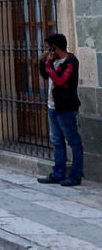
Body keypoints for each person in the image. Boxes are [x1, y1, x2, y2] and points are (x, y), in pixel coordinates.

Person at [38, 33, 83, 187]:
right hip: (53, 106)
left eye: (48, 47)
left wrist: (49, 65)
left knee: (73, 142)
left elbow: (60, 81)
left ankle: (76, 175)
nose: (47, 50)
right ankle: (58, 173)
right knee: (57, 141)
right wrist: (42, 62)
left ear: (55, 47)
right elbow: (45, 75)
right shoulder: (55, 61)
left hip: (66, 108)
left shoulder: (71, 62)